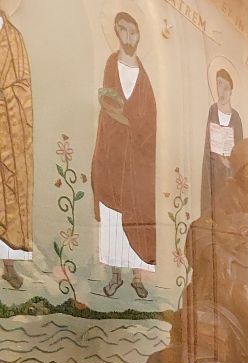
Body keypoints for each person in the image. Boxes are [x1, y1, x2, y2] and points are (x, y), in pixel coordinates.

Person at [93, 11, 157, 299]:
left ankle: (137, 277)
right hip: (113, 152)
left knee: (138, 214)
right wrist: (119, 116)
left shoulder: (144, 76)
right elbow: (107, 103)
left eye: (134, 32)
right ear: (117, 33)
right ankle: (115, 276)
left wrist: (134, 122)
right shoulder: (111, 65)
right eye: (124, 31)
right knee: (112, 215)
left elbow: (150, 115)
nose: (129, 38)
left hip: (137, 159)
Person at [0, 5, 32, 290]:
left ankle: (8, 267)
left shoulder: (14, 38)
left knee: (8, 194)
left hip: (7, 128)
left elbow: (24, 87)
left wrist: (4, 94)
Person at [199, 68, 242, 215]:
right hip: (212, 172)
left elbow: (240, 150)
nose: (222, 92)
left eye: (226, 88)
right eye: (219, 84)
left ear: (231, 91)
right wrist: (217, 159)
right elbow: (206, 145)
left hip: (229, 174)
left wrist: (230, 163)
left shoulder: (236, 118)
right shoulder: (212, 111)